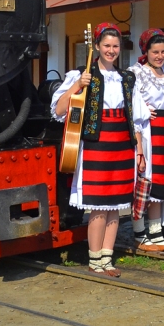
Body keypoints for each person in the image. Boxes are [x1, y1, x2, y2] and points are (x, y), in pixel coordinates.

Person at [51, 23, 136, 276]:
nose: (111, 51)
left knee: (116, 206)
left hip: (122, 143)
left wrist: (139, 149)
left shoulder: (127, 78)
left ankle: (107, 259)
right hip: (96, 143)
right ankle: (94, 258)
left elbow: (137, 119)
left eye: (115, 46)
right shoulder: (82, 74)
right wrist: (78, 84)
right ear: (97, 46)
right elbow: (58, 110)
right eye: (107, 46)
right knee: (99, 205)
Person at [129, 29, 164, 252]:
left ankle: (156, 233)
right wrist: (144, 111)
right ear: (146, 51)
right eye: (155, 52)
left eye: (163, 51)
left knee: (161, 182)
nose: (160, 55)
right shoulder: (138, 73)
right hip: (148, 129)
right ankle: (139, 233)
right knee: (146, 179)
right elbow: (132, 102)